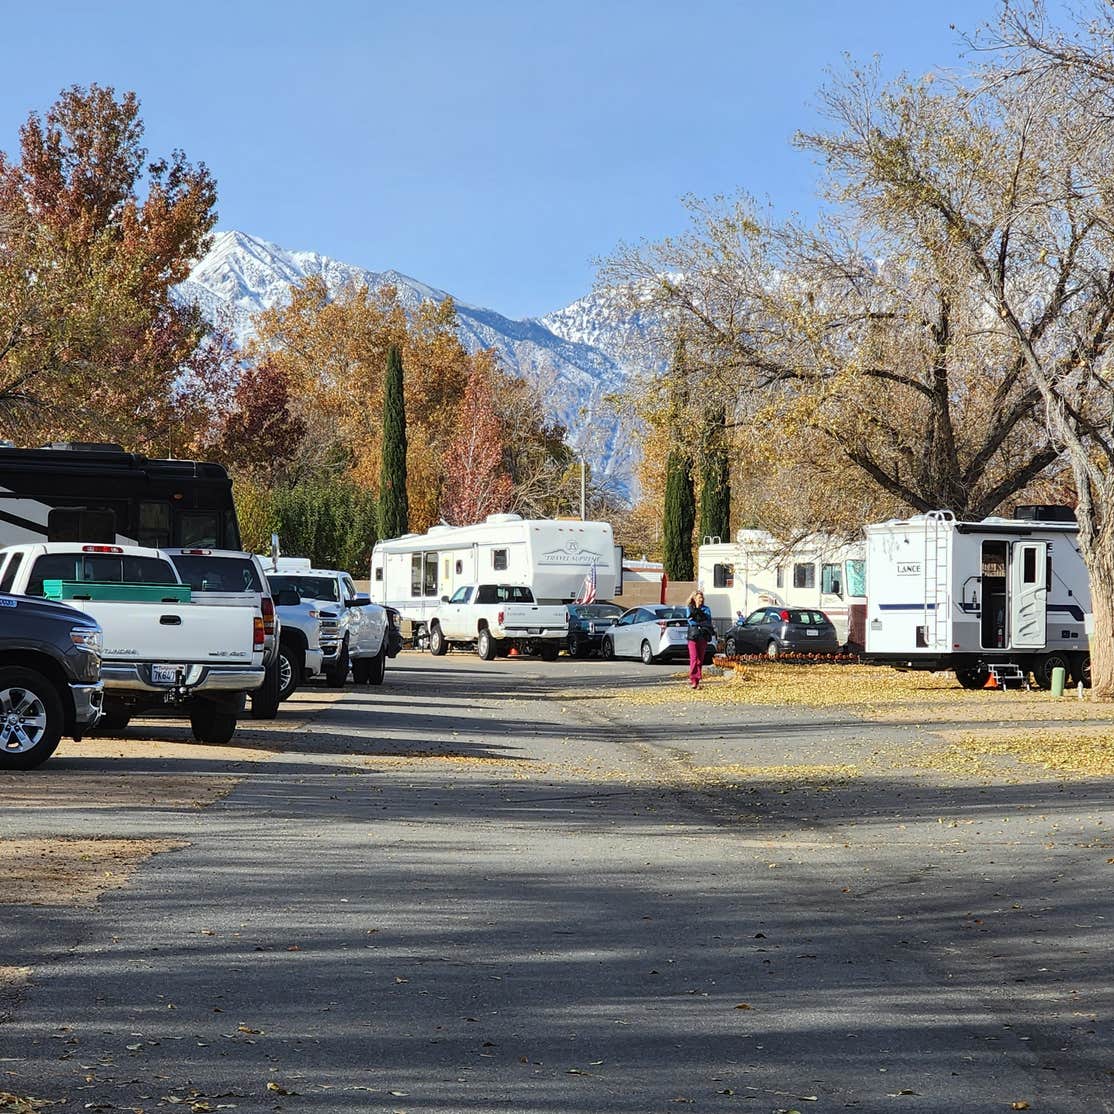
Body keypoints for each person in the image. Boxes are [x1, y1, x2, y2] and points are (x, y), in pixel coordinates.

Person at [685, 590, 714, 689]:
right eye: (698, 598)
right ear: (694, 598)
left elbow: (708, 620)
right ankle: (693, 679)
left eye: (701, 598)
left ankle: (697, 681)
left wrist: (699, 619)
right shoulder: (690, 608)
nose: (700, 600)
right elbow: (691, 621)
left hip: (703, 636)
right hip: (693, 636)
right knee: (694, 658)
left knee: (700, 660)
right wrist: (700, 618)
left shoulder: (706, 609)